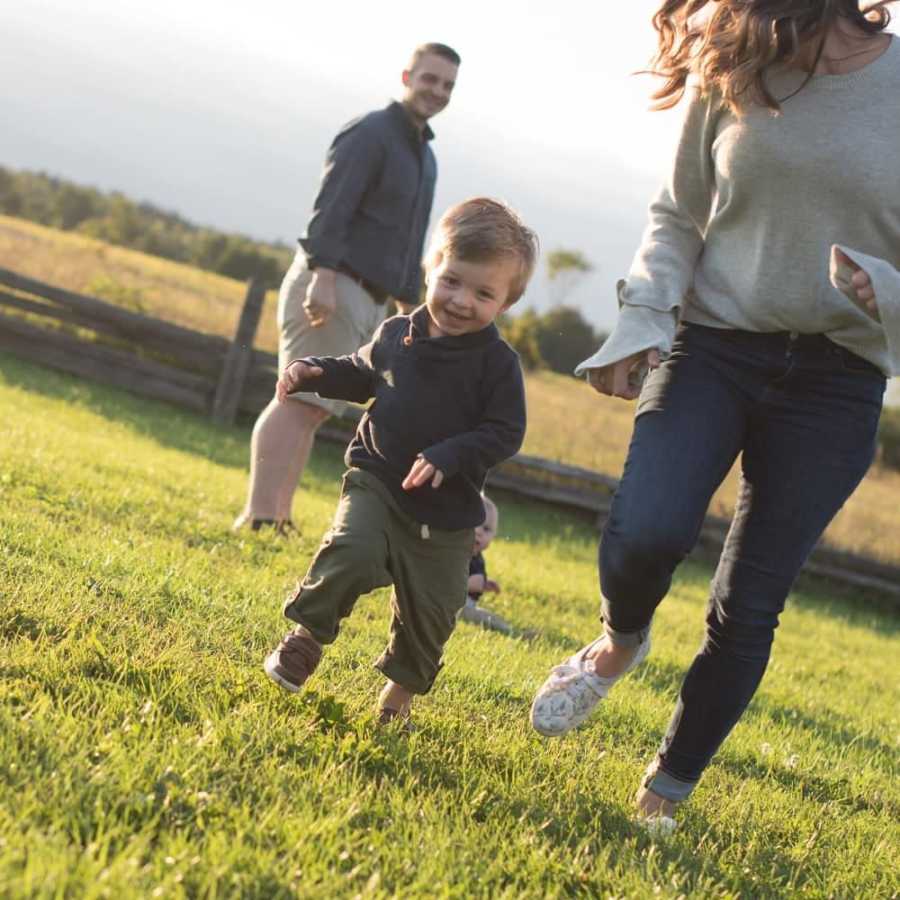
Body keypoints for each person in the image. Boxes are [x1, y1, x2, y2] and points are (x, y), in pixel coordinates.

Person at [530, 0, 900, 829]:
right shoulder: (732, 61)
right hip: (716, 346)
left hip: (838, 380)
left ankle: (665, 788)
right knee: (644, 532)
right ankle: (620, 640)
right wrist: (645, 317)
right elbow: (676, 213)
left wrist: (891, 291)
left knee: (750, 602)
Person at [262, 198, 537, 726]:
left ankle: (395, 704)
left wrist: (449, 455)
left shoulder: (497, 366)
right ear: (432, 268)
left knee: (431, 615)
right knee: (352, 549)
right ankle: (305, 639)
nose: (460, 301)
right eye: (452, 281)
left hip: (448, 515)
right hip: (379, 480)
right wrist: (315, 371)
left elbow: (505, 432)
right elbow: (361, 372)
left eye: (483, 294)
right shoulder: (397, 334)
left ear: (505, 304)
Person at [234, 43, 460, 532]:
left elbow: (408, 238)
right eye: (429, 79)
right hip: (333, 284)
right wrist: (323, 276)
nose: (437, 91)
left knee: (313, 411)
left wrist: (407, 303)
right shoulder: (371, 134)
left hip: (371, 299)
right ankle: (258, 514)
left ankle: (279, 517)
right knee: (296, 400)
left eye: (447, 85)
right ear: (406, 76)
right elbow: (332, 207)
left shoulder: (425, 156)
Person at [458, 495, 514, 635]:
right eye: (474, 524)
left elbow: (471, 579)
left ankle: (507, 628)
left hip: (465, 604)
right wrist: (475, 584)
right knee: (483, 617)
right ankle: (507, 629)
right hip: (454, 604)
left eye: (487, 529)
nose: (479, 532)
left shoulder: (477, 558)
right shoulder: (456, 551)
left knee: (481, 615)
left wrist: (484, 583)